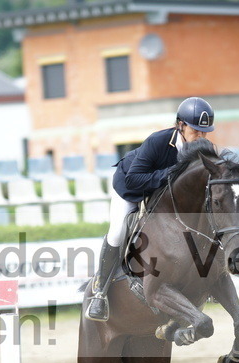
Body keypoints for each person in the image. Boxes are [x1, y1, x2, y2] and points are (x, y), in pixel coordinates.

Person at [84, 96, 216, 322]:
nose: (201, 137)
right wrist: (173, 174)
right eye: (196, 131)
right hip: (131, 188)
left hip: (163, 196)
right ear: (180, 125)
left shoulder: (205, 149)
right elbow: (136, 178)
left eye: (205, 132)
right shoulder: (159, 141)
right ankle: (100, 293)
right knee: (118, 231)